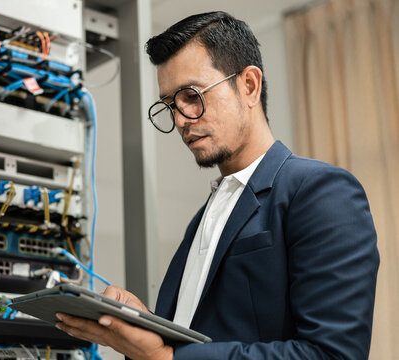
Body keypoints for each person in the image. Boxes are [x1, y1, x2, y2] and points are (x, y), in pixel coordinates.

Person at [55, 11, 379, 360]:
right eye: (169, 105)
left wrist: (163, 358)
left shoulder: (320, 191)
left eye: (192, 96)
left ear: (249, 85)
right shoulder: (204, 216)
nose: (180, 120)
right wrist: (146, 325)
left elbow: (332, 354)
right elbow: (199, 338)